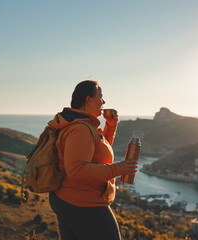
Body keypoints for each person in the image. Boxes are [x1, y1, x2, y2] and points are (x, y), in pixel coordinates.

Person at [48, 80, 138, 240]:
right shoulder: (81, 129)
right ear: (88, 99)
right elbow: (77, 170)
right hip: (83, 203)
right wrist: (119, 168)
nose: (104, 102)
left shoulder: (78, 123)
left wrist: (110, 127)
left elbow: (97, 154)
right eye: (101, 97)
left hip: (68, 199)